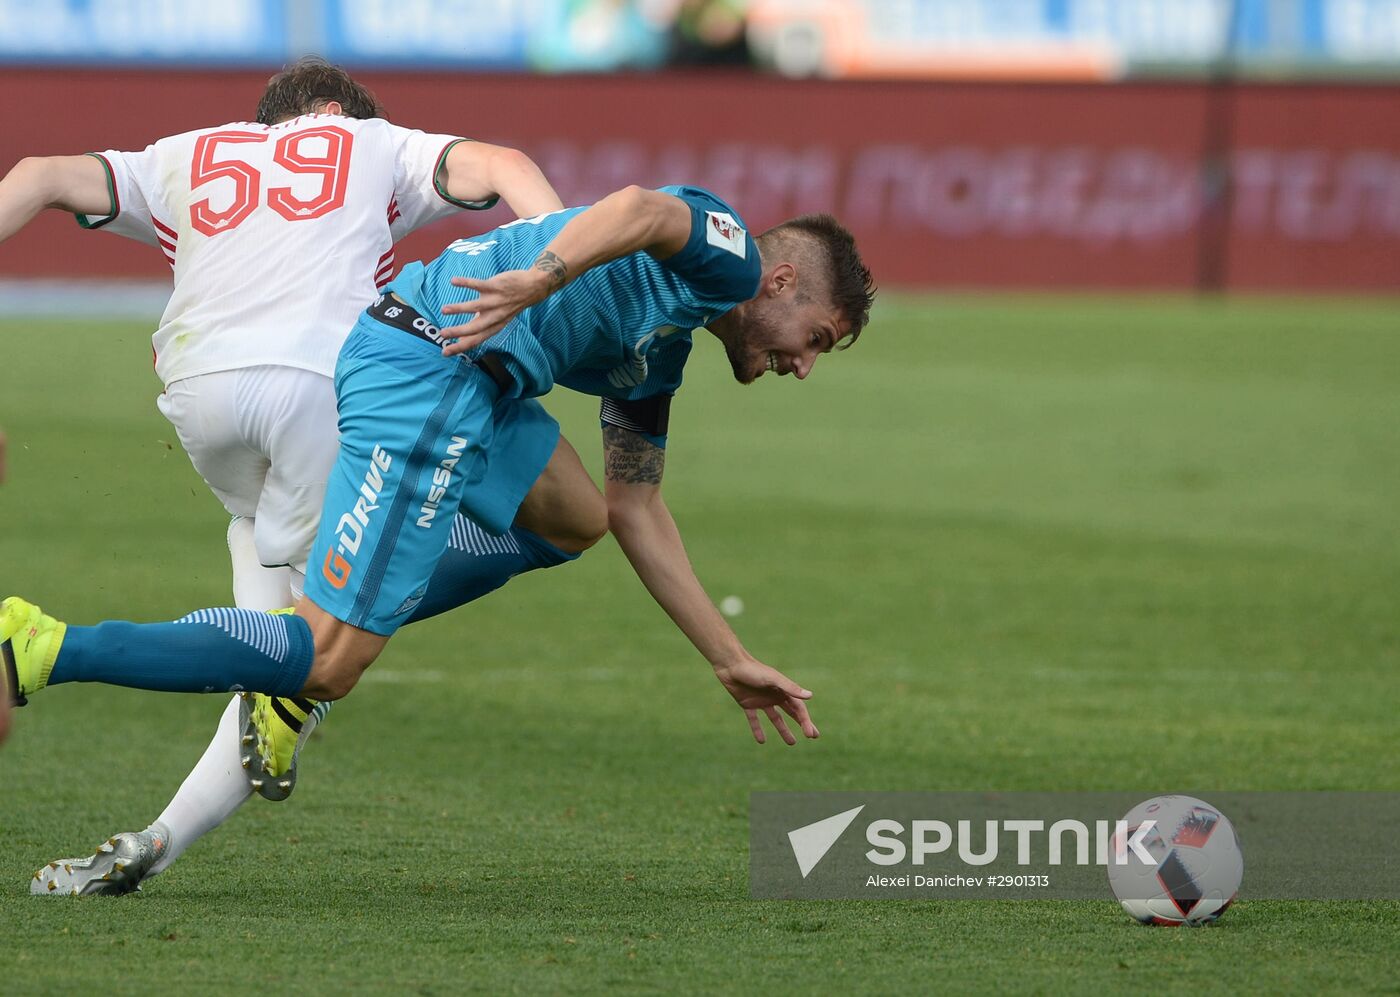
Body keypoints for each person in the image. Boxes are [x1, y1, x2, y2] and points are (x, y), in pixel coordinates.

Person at [4, 182, 874, 872]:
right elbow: (644, 208)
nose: (802, 364)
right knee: (329, 662)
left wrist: (728, 656)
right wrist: (543, 278)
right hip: (429, 368)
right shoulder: (728, 257)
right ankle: (42, 646)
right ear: (783, 283)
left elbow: (634, 505)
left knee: (576, 517)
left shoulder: (661, 349)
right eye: (816, 339)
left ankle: (318, 625)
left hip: (481, 386)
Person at [0, 57, 608, 894]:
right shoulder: (369, 139)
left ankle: (159, 838)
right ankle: (46, 645)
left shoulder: (183, 153)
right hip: (327, 386)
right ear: (330, 109)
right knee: (319, 650)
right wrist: (564, 264)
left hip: (198, 399)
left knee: (267, 553)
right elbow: (501, 165)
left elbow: (36, 175)